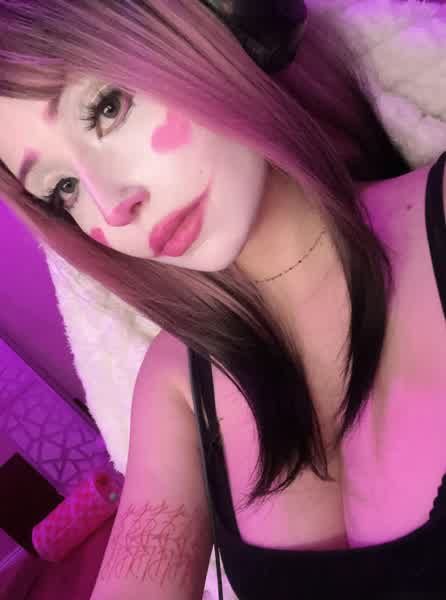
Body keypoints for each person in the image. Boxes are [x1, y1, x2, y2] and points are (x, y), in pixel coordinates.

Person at [0, 0, 444, 598]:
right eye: (63, 188)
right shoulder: (174, 379)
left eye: (107, 108)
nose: (111, 204)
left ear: (209, 23)